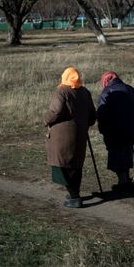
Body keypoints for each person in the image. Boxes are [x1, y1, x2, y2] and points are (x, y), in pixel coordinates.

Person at [44, 67, 97, 208]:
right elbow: (92, 116)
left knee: (62, 166)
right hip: (80, 135)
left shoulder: (61, 91)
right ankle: (75, 193)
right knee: (75, 164)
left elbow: (55, 111)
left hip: (62, 137)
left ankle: (74, 197)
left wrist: (46, 119)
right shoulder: (85, 92)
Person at [97, 71, 134, 190]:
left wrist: (102, 128)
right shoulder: (128, 88)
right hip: (129, 127)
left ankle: (123, 181)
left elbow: (101, 113)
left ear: (106, 80)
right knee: (126, 150)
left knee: (115, 153)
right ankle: (126, 179)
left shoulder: (107, 92)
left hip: (113, 129)